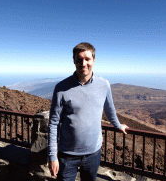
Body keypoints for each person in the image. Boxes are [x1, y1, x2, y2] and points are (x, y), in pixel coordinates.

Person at [48, 42, 129, 181]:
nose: (83, 63)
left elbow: (109, 109)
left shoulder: (104, 84)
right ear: (74, 61)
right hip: (67, 155)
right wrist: (52, 156)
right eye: (79, 60)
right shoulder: (61, 88)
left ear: (94, 60)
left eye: (87, 59)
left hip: (93, 154)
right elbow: (53, 123)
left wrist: (118, 125)